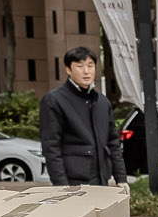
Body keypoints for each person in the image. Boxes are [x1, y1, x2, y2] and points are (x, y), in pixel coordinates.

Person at [38, 46, 124, 186]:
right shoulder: (54, 100)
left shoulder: (102, 102)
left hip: (101, 179)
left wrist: (121, 178)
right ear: (68, 70)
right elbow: (51, 147)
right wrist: (61, 185)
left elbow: (113, 142)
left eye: (90, 66)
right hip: (72, 181)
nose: (86, 71)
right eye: (79, 66)